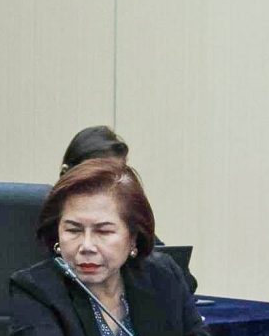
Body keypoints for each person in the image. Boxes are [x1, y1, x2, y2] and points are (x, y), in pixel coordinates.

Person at [9, 159, 254, 336]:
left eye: (104, 232)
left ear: (133, 238)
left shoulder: (162, 276)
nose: (86, 246)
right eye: (73, 230)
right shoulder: (35, 288)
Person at [59, 125, 198, 292]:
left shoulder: (124, 217)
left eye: (119, 174)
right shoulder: (47, 221)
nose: (113, 184)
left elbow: (184, 281)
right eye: (99, 177)